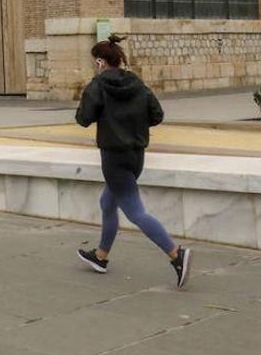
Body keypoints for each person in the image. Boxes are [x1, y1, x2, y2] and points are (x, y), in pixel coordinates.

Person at [74, 34, 192, 288]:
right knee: (107, 201)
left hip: (113, 157)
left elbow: (83, 118)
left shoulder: (98, 85)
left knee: (135, 211)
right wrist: (133, 125)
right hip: (136, 155)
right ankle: (101, 256)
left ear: (100, 62)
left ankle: (176, 254)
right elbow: (157, 114)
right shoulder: (137, 84)